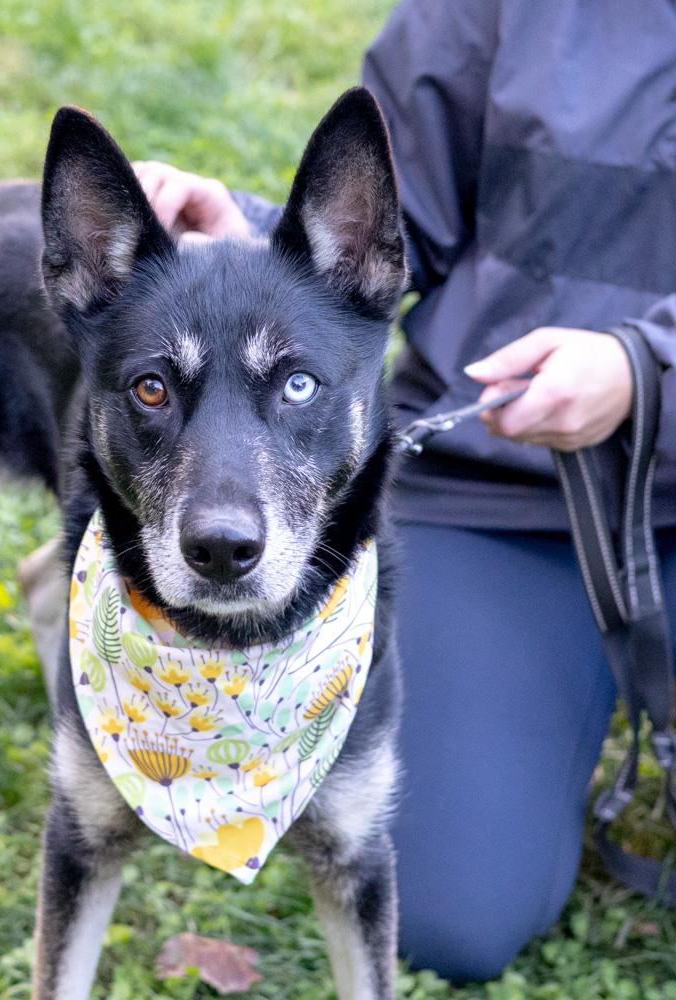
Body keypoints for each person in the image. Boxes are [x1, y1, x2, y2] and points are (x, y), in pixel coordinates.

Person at [132, 0, 676, 982]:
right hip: (502, 496)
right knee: (448, 913)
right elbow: (395, 222)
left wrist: (649, 371)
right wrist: (253, 244)